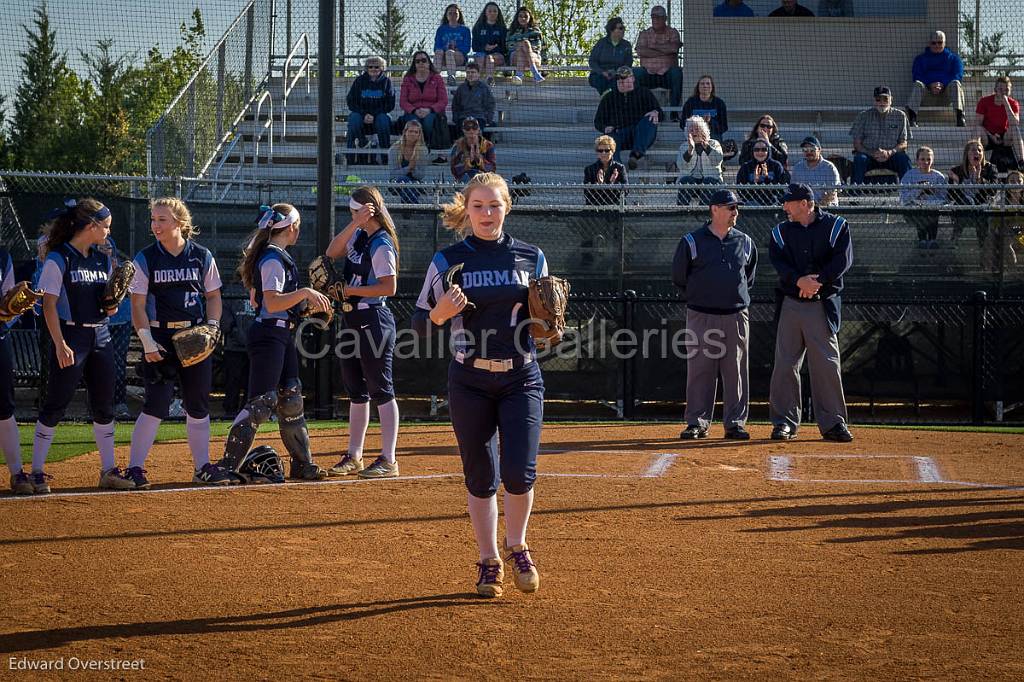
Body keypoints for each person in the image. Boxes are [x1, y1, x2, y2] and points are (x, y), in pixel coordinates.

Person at [412, 172, 546, 599]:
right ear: (466, 211)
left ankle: (517, 545)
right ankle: (490, 560)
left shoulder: (532, 257)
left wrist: (550, 321)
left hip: (521, 375)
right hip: (469, 378)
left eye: (495, 206)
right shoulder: (447, 261)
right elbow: (418, 323)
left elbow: (547, 319)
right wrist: (439, 313)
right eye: (478, 206)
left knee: (519, 473)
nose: (487, 214)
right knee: (480, 475)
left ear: (508, 207)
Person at [217, 204, 331, 483]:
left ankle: (303, 464)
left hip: (280, 333)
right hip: (268, 335)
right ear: (291, 227)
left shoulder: (278, 257)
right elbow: (271, 301)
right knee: (262, 402)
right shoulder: (272, 259)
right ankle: (227, 465)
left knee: (291, 397)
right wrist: (305, 292)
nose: (298, 231)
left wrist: (303, 308)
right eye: (298, 225)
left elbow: (271, 303)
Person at [124, 197, 233, 488]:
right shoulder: (146, 258)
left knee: (197, 403)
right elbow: (137, 305)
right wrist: (146, 341)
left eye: (162, 220)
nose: (155, 225)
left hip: (194, 338)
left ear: (180, 224)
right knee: (156, 404)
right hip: (159, 337)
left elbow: (213, 297)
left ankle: (202, 467)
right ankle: (134, 468)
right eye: (154, 219)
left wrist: (211, 327)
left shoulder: (201, 255)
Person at [31, 198, 131, 493]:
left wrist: (113, 304)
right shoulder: (59, 257)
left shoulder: (102, 259)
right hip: (71, 336)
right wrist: (59, 344)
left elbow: (107, 305)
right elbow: (48, 305)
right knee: (56, 403)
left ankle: (109, 470)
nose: (108, 233)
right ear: (91, 226)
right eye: (106, 226)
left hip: (101, 336)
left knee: (104, 405)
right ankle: (35, 471)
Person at [324, 186, 401, 480]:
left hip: (373, 318)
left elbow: (388, 287)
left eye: (355, 211)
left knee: (381, 388)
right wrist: (356, 223)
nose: (351, 215)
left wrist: (350, 290)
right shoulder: (359, 234)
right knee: (356, 391)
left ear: (369, 210)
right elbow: (332, 252)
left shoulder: (381, 243)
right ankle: (354, 455)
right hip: (351, 317)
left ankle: (388, 459)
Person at [768, 183, 854, 443]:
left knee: (826, 365)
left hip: (822, 302)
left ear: (805, 204)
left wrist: (817, 282)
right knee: (785, 364)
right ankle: (784, 422)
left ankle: (833, 423)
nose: (784, 207)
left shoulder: (836, 225)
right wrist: (799, 281)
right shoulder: (780, 232)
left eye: (789, 203)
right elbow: (779, 263)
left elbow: (843, 260)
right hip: (792, 302)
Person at [672, 189, 757, 441]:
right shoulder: (691, 241)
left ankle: (735, 423)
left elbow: (748, 278)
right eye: (731, 208)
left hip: (736, 315)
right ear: (714, 209)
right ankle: (697, 422)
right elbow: (679, 277)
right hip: (701, 315)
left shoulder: (746, 241)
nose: (735, 213)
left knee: (736, 371)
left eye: (736, 208)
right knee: (700, 370)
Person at [1, 245, 33, 494]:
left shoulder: (2, 255)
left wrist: (7, 313)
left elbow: (8, 297)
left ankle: (17, 473)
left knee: (4, 408)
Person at [593, 66, 661, 170]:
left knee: (650, 119)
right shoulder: (609, 97)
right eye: (618, 79)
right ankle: (618, 170)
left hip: (640, 134)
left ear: (632, 78)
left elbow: (661, 113)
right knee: (608, 139)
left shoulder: (644, 93)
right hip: (619, 133)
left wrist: (656, 112)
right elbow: (598, 121)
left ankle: (635, 155)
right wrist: (605, 128)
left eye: (624, 78)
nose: (621, 80)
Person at [948, 139, 999, 263]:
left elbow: (993, 191)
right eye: (973, 150)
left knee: (981, 213)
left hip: (981, 206)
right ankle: (954, 246)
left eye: (980, 150)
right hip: (963, 208)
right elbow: (951, 195)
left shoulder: (990, 168)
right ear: (967, 154)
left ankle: (981, 247)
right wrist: (957, 180)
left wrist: (979, 179)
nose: (977, 152)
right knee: (964, 204)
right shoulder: (956, 171)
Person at [850, 86, 911, 184]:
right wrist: (872, 153)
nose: (882, 102)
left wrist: (890, 152)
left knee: (904, 159)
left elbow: (903, 143)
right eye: (878, 99)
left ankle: (910, 193)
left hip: (891, 157)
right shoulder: (863, 116)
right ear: (874, 100)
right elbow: (857, 143)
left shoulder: (900, 116)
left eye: (885, 99)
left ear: (891, 100)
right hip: (869, 157)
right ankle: (854, 195)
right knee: (859, 159)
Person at [906, 31, 965, 128]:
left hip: (946, 96)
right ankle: (912, 119)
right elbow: (916, 75)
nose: (937, 45)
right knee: (917, 84)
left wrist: (942, 84)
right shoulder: (920, 59)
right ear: (929, 43)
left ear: (945, 43)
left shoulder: (954, 59)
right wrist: (930, 84)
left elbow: (958, 75)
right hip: (927, 95)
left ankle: (960, 118)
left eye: (940, 42)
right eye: (934, 43)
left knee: (956, 83)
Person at [633, 6, 683, 121]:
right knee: (634, 73)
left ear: (665, 18)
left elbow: (674, 48)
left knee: (677, 73)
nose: (655, 20)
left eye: (659, 17)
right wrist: (664, 50)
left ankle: (674, 113)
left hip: (667, 76)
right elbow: (641, 51)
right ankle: (640, 112)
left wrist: (653, 46)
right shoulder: (644, 34)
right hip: (648, 74)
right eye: (653, 17)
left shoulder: (673, 32)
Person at [345, 56, 396, 166]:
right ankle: (350, 157)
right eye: (370, 67)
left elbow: (390, 104)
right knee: (353, 119)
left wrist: (374, 115)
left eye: (376, 67)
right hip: (361, 116)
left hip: (379, 117)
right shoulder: (359, 81)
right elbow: (351, 101)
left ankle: (385, 158)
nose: (373, 69)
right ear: (366, 68)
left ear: (382, 68)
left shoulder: (387, 82)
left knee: (383, 120)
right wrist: (364, 114)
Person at [399, 52, 450, 162]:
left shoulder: (437, 78)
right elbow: (403, 102)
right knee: (413, 124)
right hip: (413, 111)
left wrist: (430, 109)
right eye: (417, 61)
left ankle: (424, 148)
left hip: (432, 111)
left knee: (428, 121)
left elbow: (443, 100)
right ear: (414, 64)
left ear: (428, 62)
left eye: (423, 60)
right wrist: (414, 110)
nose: (421, 63)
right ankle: (411, 154)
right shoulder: (408, 79)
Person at [899, 146, 948, 248]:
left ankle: (932, 240)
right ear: (917, 161)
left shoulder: (938, 177)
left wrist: (930, 199)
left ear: (932, 160)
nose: (926, 162)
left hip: (932, 210)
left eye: (928, 159)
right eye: (922, 159)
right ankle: (922, 240)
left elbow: (944, 198)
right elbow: (904, 198)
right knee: (920, 209)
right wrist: (919, 190)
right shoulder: (909, 175)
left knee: (931, 210)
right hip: (913, 211)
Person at [975, 77, 1024, 172]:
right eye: (1001, 89)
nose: (1003, 92)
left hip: (1005, 137)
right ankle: (975, 161)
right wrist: (991, 135)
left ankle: (1022, 162)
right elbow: (978, 124)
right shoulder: (984, 101)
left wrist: (1006, 103)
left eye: (1006, 90)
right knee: (977, 129)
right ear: (995, 90)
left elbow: (1015, 123)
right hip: (988, 136)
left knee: (1015, 128)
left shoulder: (1013, 103)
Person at [676, 115, 724, 205]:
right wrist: (690, 150)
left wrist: (707, 147)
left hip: (711, 182)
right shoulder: (684, 146)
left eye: (697, 129)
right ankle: (681, 212)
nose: (694, 132)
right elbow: (681, 165)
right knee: (685, 180)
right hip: (692, 182)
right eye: (691, 129)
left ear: (703, 131)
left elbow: (717, 160)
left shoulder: (714, 143)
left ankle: (704, 212)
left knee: (708, 181)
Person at [220, 293, 253, 417]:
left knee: (251, 383)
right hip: (233, 348)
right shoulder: (230, 291)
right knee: (232, 382)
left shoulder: (261, 289)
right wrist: (238, 334)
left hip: (254, 349)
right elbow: (225, 322)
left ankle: (247, 413)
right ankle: (230, 412)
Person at [790, 136, 841, 206]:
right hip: (805, 209)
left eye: (812, 149)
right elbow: (793, 191)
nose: (809, 152)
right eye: (805, 149)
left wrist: (817, 207)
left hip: (827, 208)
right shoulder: (797, 168)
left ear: (819, 150)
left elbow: (832, 193)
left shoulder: (829, 167)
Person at [588, 17, 633, 96]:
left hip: (617, 75)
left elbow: (628, 63)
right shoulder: (601, 43)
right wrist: (602, 72)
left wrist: (618, 73)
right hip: (599, 75)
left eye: (623, 28)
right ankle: (606, 99)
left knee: (618, 83)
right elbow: (592, 61)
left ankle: (608, 99)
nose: (623, 30)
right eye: (620, 28)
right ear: (611, 30)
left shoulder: (626, 45)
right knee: (601, 81)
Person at [736, 140, 789, 205]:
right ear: (752, 151)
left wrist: (767, 179)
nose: (760, 152)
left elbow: (781, 189)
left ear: (768, 151)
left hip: (773, 203)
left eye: (764, 149)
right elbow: (741, 190)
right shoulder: (746, 167)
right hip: (751, 204)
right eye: (756, 150)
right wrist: (754, 183)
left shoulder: (776, 166)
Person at [389, 119, 429, 204]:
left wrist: (413, 169)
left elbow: (421, 175)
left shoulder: (423, 150)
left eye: (416, 132)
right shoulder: (394, 149)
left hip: (416, 183)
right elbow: (393, 174)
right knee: (405, 180)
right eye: (410, 131)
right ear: (405, 132)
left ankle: (407, 210)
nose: (413, 134)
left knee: (412, 185)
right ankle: (415, 207)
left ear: (419, 134)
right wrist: (408, 168)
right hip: (396, 184)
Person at [681, 75, 728, 143]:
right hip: (695, 137)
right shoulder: (690, 102)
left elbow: (724, 127)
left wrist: (710, 122)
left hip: (713, 138)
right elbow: (682, 123)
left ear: (712, 87)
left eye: (708, 83)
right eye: (702, 84)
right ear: (698, 87)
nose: (705, 86)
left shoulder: (719, 103)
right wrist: (697, 125)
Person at [583, 134, 628, 206]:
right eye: (600, 150)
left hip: (615, 208)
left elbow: (626, 191)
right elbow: (587, 193)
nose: (603, 153)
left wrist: (613, 183)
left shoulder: (620, 168)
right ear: (597, 152)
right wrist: (599, 185)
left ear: (612, 151)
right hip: (595, 209)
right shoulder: (589, 169)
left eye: (607, 150)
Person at [434, 3, 472, 86]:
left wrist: (456, 48)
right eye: (450, 13)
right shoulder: (441, 29)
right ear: (446, 15)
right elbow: (436, 47)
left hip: (459, 57)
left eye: (455, 13)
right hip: (443, 57)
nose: (452, 15)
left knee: (450, 52)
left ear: (459, 15)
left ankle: (451, 77)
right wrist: (446, 47)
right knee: (439, 52)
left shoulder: (465, 30)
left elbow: (467, 48)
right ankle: (435, 78)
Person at [452, 61, 496, 132]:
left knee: (476, 133)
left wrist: (488, 119)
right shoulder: (461, 88)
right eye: (468, 72)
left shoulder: (484, 88)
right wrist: (456, 118)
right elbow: (455, 105)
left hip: (479, 117)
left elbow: (490, 105)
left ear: (478, 74)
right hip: (464, 117)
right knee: (463, 133)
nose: (470, 74)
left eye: (473, 72)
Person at [506, 6, 545, 85]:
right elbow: (509, 46)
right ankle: (535, 73)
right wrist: (520, 46)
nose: (523, 18)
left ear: (530, 17)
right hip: (515, 58)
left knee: (525, 44)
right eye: (520, 16)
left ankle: (519, 76)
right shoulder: (512, 31)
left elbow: (538, 47)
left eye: (525, 16)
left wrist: (525, 47)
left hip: (534, 57)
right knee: (522, 47)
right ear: (517, 18)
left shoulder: (536, 31)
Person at [450, 117, 496, 182]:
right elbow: (453, 170)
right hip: (465, 178)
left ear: (478, 129)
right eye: (467, 128)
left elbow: (493, 168)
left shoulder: (488, 145)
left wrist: (479, 160)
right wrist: (468, 162)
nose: (471, 131)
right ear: (463, 130)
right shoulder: (457, 146)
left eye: (474, 128)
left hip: (483, 178)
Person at [471, 2, 507, 85]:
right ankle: (476, 82)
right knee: (481, 57)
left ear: (498, 13)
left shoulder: (502, 29)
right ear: (485, 12)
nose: (492, 13)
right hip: (481, 55)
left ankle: (489, 80)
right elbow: (474, 46)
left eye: (495, 11)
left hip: (497, 56)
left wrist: (494, 48)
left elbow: (505, 47)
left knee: (489, 58)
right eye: (490, 11)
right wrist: (484, 48)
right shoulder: (478, 27)